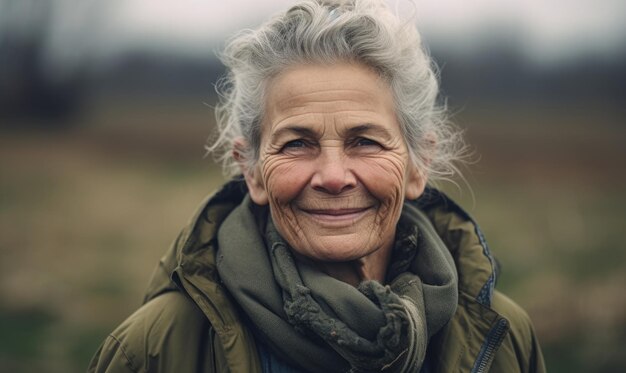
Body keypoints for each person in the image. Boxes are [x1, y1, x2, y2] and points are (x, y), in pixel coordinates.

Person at [88, 0, 545, 372]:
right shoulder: (154, 349)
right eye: (296, 144)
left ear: (417, 164)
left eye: (365, 141)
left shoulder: (502, 335)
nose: (331, 176)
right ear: (251, 171)